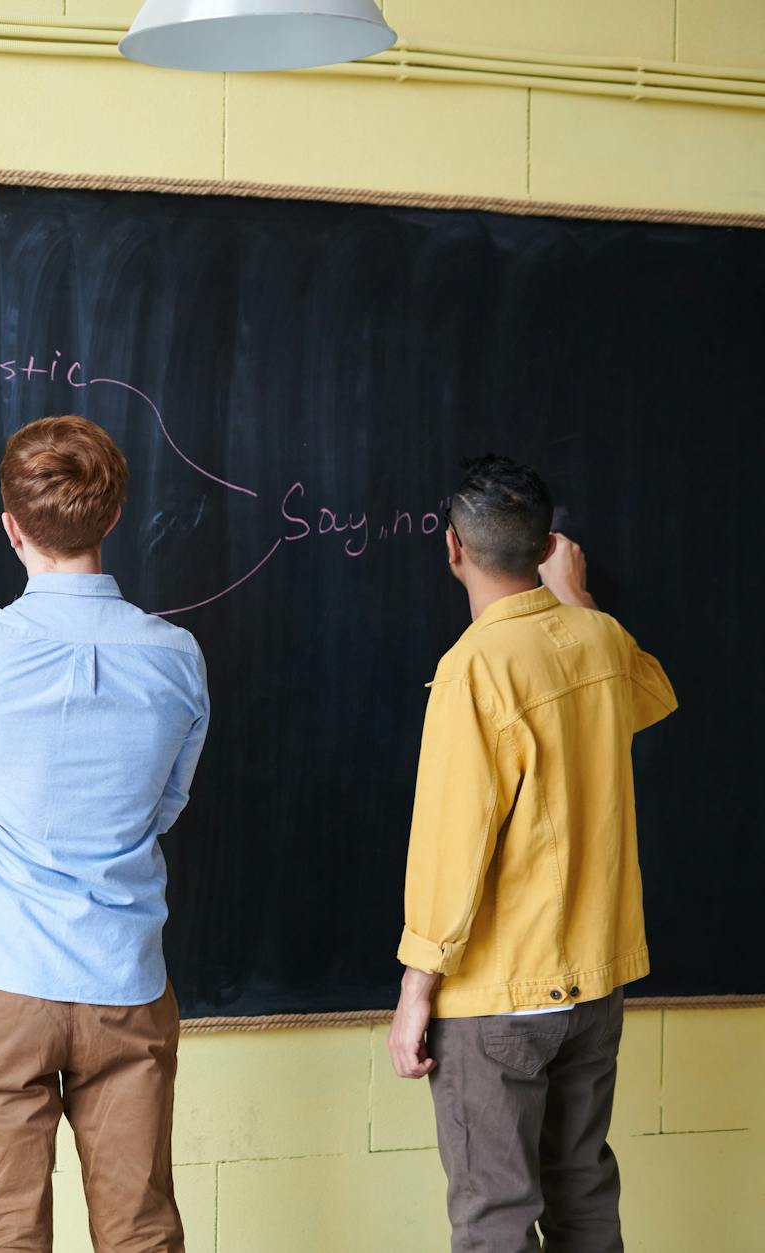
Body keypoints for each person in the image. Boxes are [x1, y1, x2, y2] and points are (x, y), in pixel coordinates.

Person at [0, 419, 210, 1252]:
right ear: (112, 517)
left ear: (12, 529)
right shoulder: (177, 659)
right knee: (140, 1234)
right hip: (123, 982)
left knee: (0, 1238)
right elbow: (167, 806)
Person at [386, 455, 676, 1252]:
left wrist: (418, 986)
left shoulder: (473, 668)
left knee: (494, 1215)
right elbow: (651, 695)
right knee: (583, 1192)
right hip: (595, 983)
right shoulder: (599, 639)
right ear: (549, 544)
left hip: (498, 994)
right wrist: (576, 598)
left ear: (453, 548)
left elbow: (453, 844)